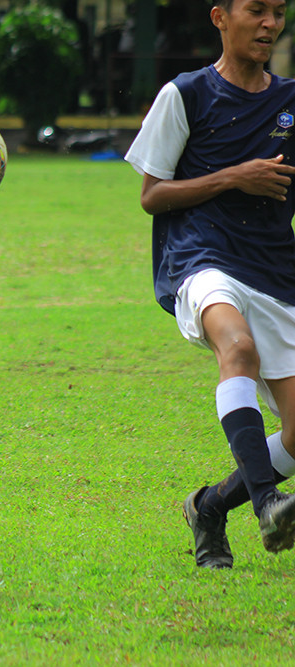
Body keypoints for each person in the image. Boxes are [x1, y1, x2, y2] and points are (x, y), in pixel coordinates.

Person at [125, 0, 295, 569]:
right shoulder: (186, 94)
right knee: (237, 347)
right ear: (221, 17)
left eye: (280, 12)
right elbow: (152, 195)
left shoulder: (291, 102)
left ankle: (211, 506)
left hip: (274, 271)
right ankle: (268, 502)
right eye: (257, 10)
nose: (271, 23)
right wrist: (234, 177)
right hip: (201, 259)